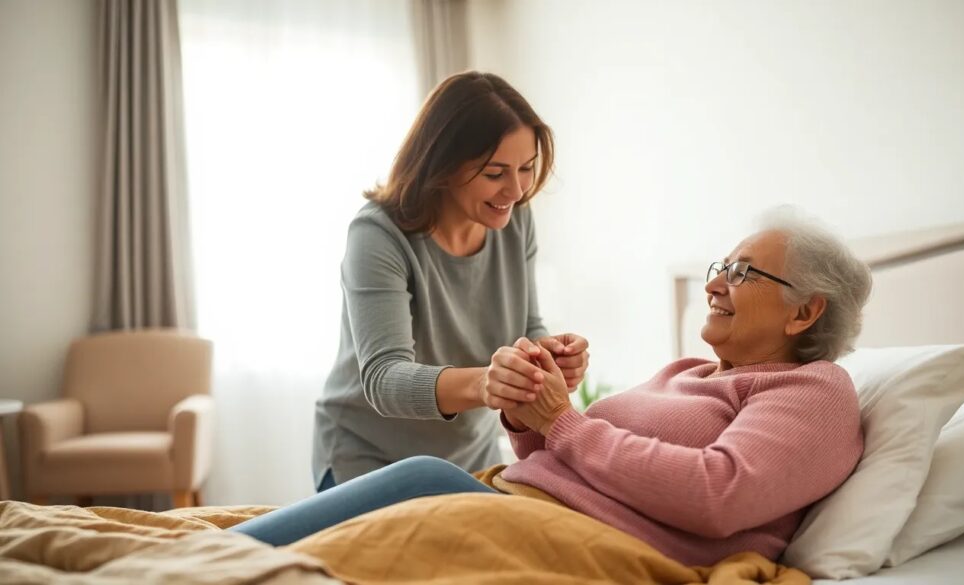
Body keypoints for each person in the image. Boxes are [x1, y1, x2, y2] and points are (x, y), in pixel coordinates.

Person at [255, 211, 871, 567]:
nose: (714, 285)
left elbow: (720, 495)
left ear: (804, 312)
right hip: (518, 505)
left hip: (562, 537)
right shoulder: (688, 372)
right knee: (276, 545)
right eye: (720, 268)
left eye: (741, 273)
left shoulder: (814, 391)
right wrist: (530, 410)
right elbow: (567, 457)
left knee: (412, 483)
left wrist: (562, 422)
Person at [312, 71, 590, 490]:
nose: (516, 190)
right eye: (495, 173)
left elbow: (527, 325)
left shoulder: (515, 222)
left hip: (469, 456)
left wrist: (545, 357)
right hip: (368, 457)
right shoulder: (378, 234)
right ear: (443, 166)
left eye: (526, 168)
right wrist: (485, 382)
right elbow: (384, 378)